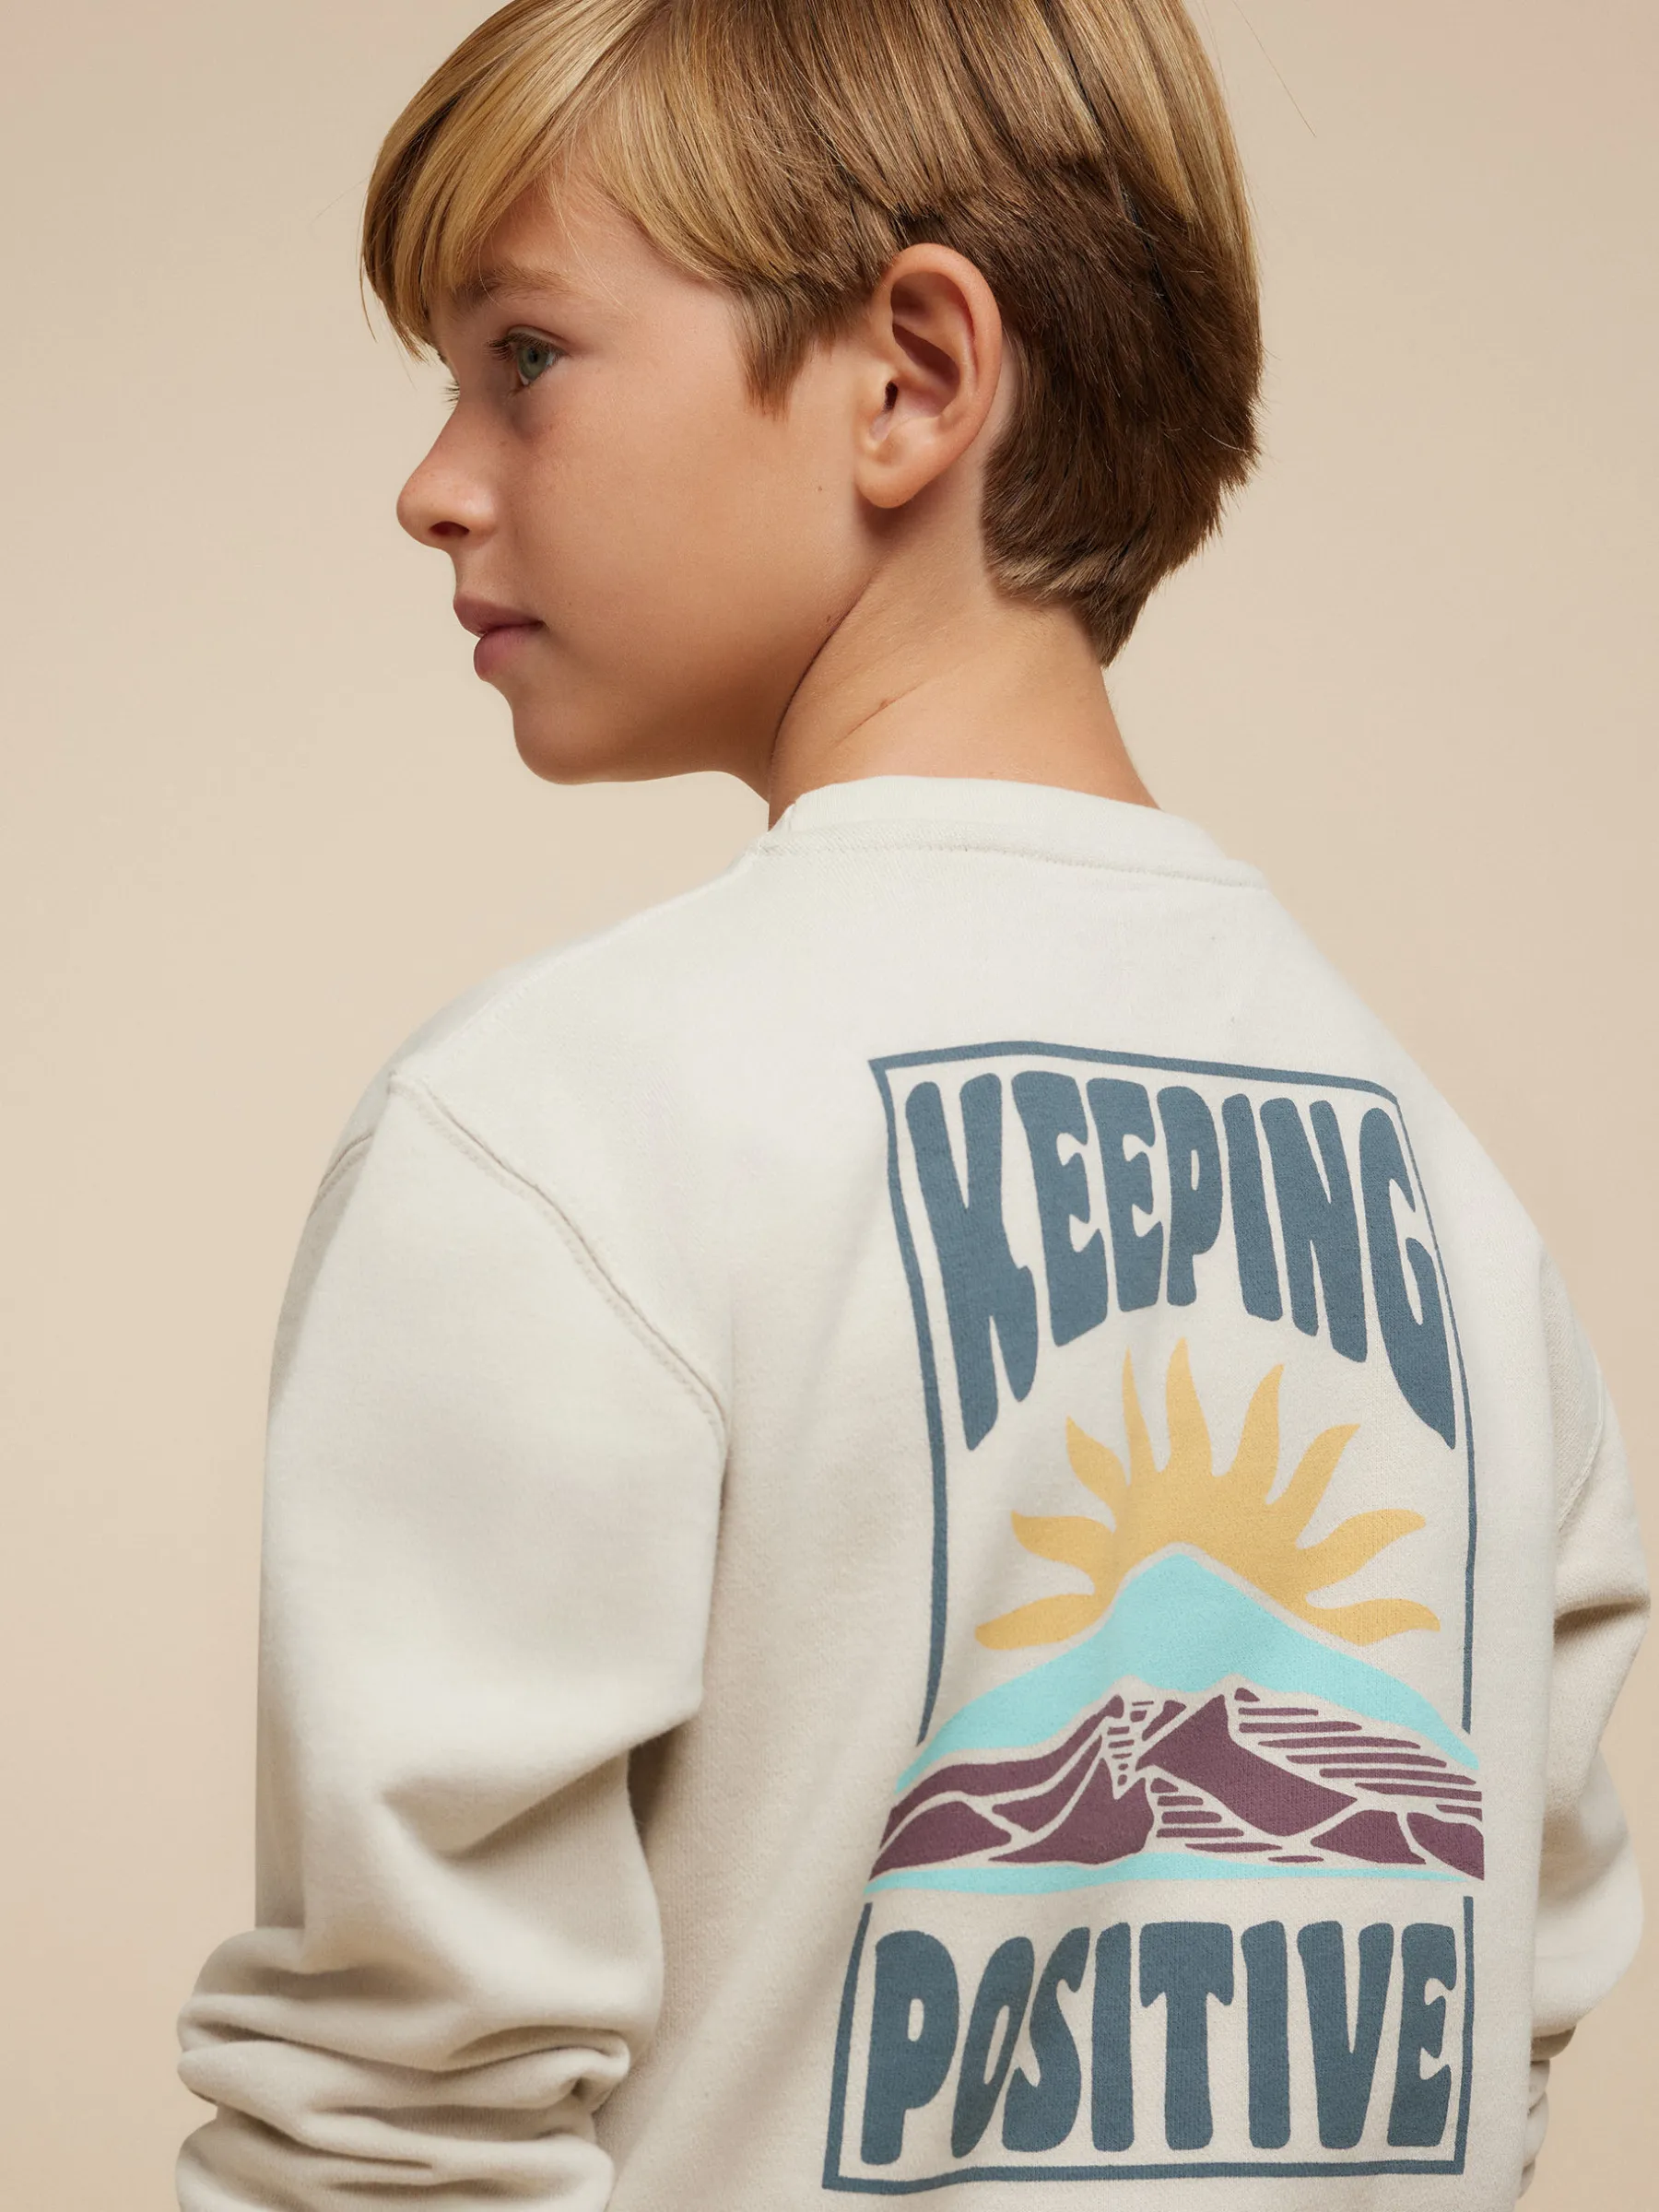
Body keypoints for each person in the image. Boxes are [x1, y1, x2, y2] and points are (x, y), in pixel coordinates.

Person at [175, 2, 1647, 2206]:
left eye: (525, 357)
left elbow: (390, 2134)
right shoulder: (1459, 1212)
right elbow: (1491, 2037)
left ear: (913, 379)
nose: (435, 481)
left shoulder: (554, 1142)